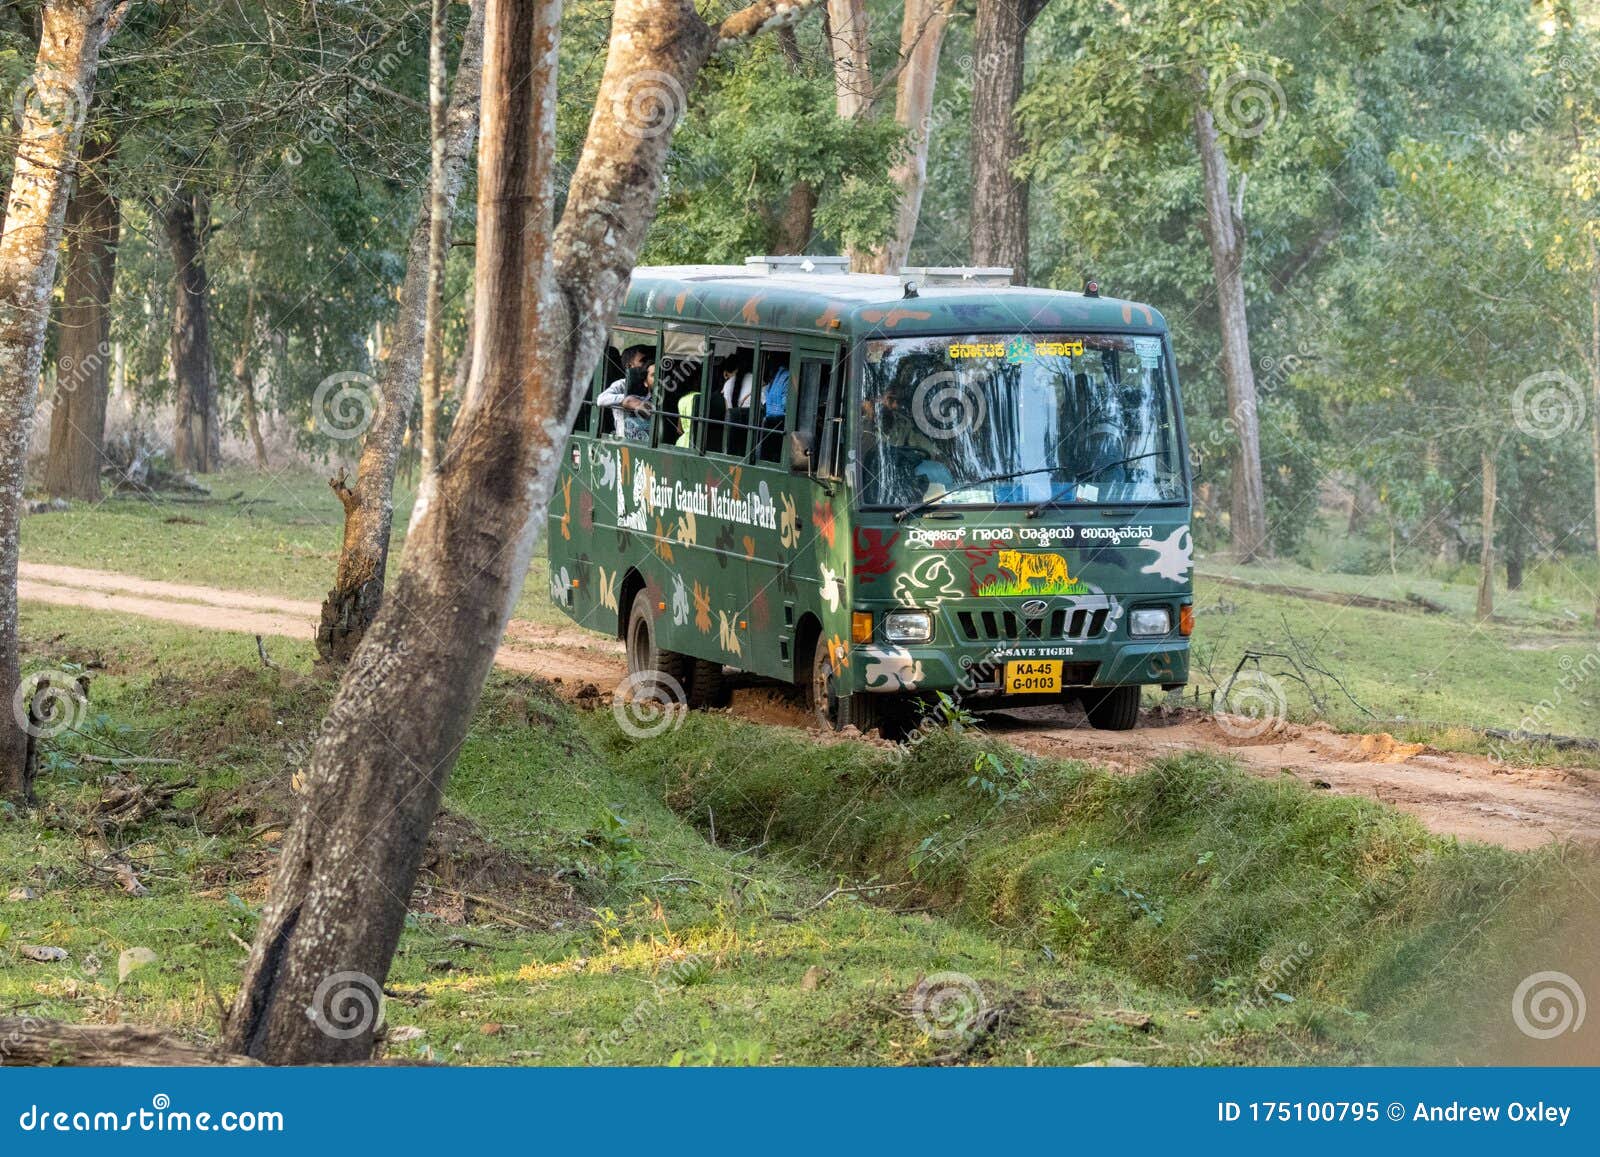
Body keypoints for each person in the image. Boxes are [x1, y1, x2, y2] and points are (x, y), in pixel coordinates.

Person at [597, 345, 653, 440]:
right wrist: (626, 399)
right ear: (629, 366)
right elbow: (601, 399)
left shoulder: (650, 382)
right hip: (623, 439)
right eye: (643, 361)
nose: (646, 364)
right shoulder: (621, 384)